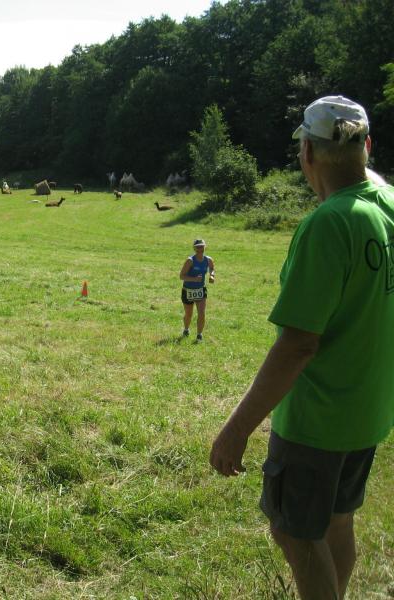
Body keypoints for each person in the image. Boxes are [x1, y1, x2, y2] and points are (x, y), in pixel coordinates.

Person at [210, 95, 394, 599]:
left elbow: (297, 346)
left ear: (307, 153)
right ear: (368, 146)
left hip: (318, 422)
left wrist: (236, 430)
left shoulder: (328, 224)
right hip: (368, 414)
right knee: (337, 521)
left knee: (295, 531)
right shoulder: (386, 206)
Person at [179, 239, 215, 342]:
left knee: (202, 313)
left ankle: (199, 335)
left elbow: (212, 268)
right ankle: (186, 329)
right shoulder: (190, 260)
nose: (200, 249)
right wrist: (194, 279)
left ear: (205, 247)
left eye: (202, 246)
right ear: (194, 248)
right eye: (198, 247)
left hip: (200, 289)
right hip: (188, 290)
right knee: (188, 314)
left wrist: (212, 275)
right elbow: (181, 276)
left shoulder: (208, 260)